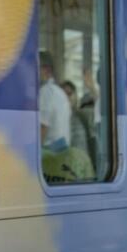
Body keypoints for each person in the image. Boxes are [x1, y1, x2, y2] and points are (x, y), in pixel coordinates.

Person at [39, 51, 92, 183]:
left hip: (49, 160)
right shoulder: (58, 93)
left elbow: (42, 130)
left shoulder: (45, 92)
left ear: (45, 69)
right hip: (61, 160)